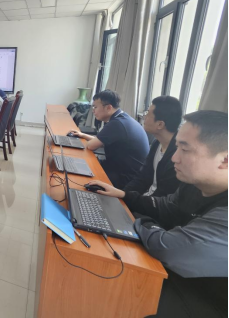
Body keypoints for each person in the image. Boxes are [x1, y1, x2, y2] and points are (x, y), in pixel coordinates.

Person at [88, 111, 228, 318]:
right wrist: (124, 195)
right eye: (176, 147)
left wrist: (142, 221)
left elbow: (166, 247)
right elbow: (166, 206)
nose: (174, 158)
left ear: (224, 160)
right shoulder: (194, 185)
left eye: (185, 149)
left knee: (122, 294)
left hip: (211, 299)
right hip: (185, 275)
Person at [69, 90, 149, 188]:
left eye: (95, 107)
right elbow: (101, 141)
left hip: (124, 177)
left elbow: (91, 146)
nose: (93, 110)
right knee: (79, 165)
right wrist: (83, 135)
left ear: (108, 107)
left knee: (77, 172)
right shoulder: (122, 118)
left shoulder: (117, 124)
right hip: (120, 169)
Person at [121, 96, 183, 197]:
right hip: (144, 199)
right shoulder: (157, 143)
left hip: (153, 203)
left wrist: (127, 198)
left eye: (148, 114)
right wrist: (122, 195)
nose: (144, 117)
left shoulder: (177, 155)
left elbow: (163, 196)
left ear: (160, 124)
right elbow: (142, 177)